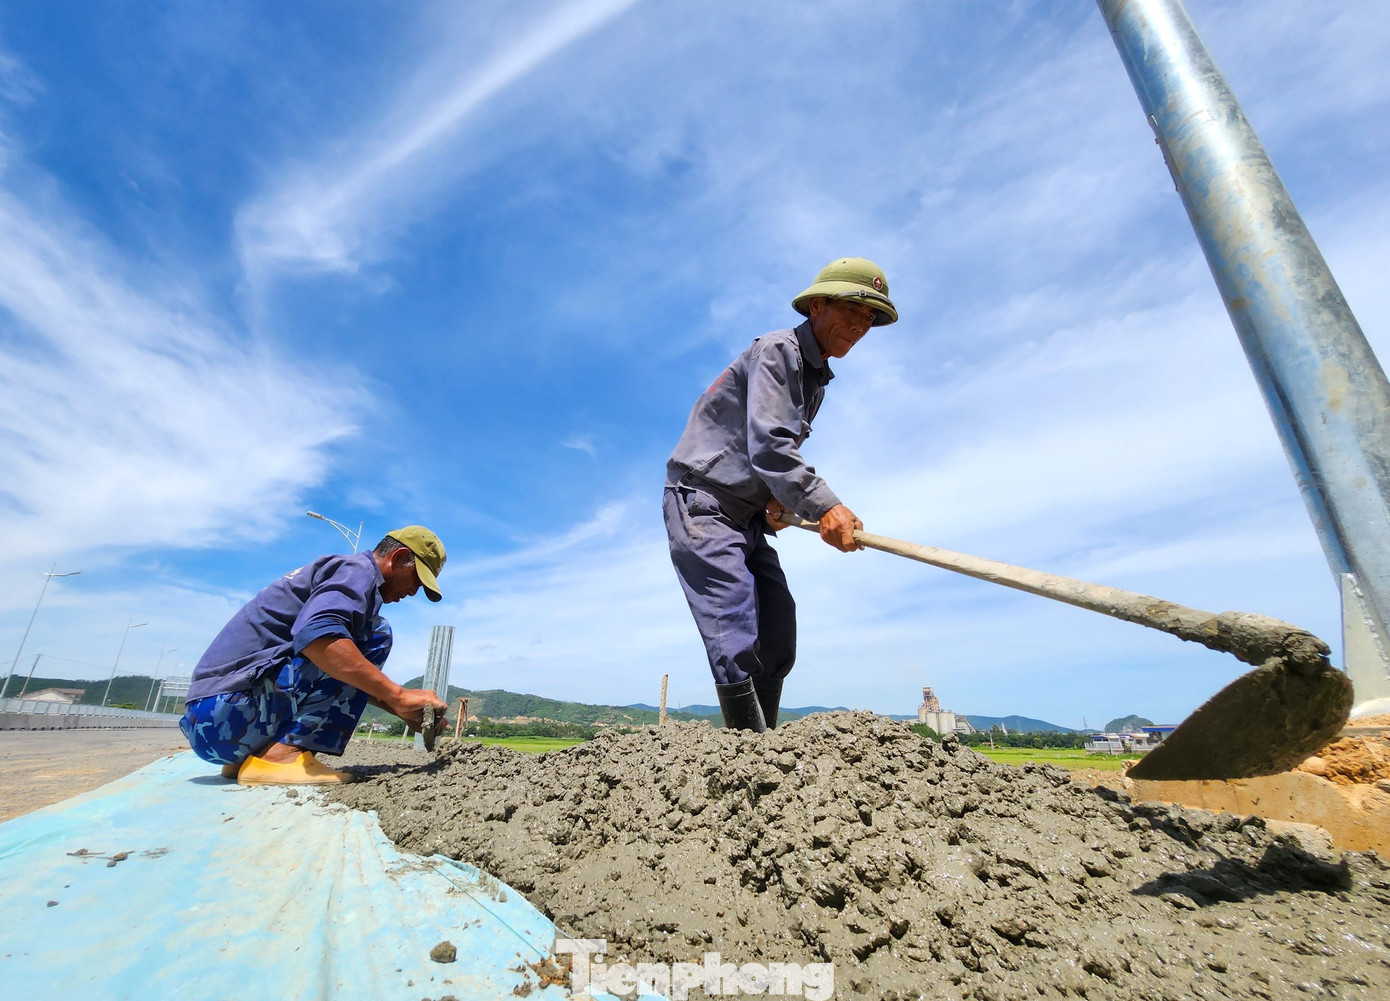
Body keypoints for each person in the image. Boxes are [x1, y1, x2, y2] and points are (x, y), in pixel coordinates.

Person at [663, 258, 897, 732]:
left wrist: (779, 499)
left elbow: (769, 456)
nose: (860, 325)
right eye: (852, 309)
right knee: (734, 630)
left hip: (746, 515)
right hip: (704, 501)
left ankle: (766, 753)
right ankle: (750, 764)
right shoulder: (777, 352)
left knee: (777, 628)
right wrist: (825, 505)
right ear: (817, 306)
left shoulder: (815, 380)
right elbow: (770, 445)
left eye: (870, 317)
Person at [180, 526, 451, 785]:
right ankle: (281, 756)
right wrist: (398, 694)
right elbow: (319, 640)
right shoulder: (357, 572)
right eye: (416, 579)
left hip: (216, 723)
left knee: (350, 647)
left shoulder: (342, 575)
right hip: (226, 711)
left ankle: (252, 758)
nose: (414, 592)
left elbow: (334, 677)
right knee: (375, 634)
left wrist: (399, 709)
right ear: (400, 557)